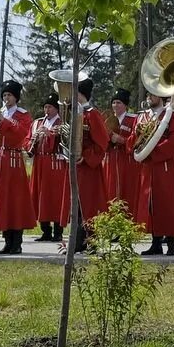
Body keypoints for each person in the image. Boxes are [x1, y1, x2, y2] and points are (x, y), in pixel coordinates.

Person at [137, 92, 174, 257]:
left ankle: (171, 243)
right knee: (151, 205)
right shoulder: (143, 117)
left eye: (153, 94)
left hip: (164, 167)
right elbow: (135, 138)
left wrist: (153, 152)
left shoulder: (170, 116)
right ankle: (155, 243)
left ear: (160, 97)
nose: (148, 97)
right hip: (148, 168)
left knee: (167, 205)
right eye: (147, 94)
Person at [0, 81, 35, 255]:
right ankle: (7, 240)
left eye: (9, 95)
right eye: (4, 95)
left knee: (15, 200)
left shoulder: (23, 114)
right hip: (1, 158)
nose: (6, 98)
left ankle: (17, 242)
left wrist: (3, 119)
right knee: (2, 200)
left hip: (14, 158)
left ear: (16, 97)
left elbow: (22, 132)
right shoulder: (1, 114)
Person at [72, 79, 110, 250]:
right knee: (77, 206)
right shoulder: (74, 113)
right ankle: (78, 241)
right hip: (76, 167)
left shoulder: (92, 114)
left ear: (81, 94)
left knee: (90, 204)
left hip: (89, 168)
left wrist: (85, 157)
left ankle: (92, 241)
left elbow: (102, 143)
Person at [32, 96, 67, 244]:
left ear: (56, 109)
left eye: (50, 107)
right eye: (45, 107)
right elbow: (28, 140)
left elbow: (65, 139)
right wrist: (34, 138)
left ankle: (58, 231)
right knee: (40, 194)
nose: (47, 110)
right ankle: (45, 230)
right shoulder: (38, 122)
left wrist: (50, 134)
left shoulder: (62, 123)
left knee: (55, 196)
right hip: (40, 161)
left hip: (55, 162)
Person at [106, 90, 141, 230]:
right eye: (113, 102)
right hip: (111, 159)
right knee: (111, 192)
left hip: (127, 161)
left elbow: (137, 140)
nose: (115, 105)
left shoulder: (134, 119)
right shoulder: (108, 119)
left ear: (125, 105)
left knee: (127, 191)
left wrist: (122, 140)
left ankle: (128, 225)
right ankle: (113, 225)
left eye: (118, 103)